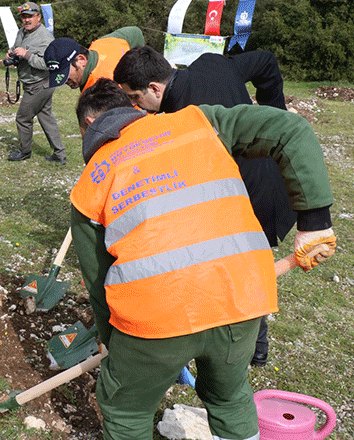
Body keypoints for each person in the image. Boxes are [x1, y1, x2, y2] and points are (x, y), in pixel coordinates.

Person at [70, 78, 335, 440]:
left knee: (126, 410)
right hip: (241, 299)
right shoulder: (197, 121)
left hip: (154, 316)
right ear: (132, 109)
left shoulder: (90, 184)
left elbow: (98, 283)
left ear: (88, 126)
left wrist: (121, 350)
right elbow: (289, 127)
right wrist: (315, 222)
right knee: (228, 397)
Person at [112, 45, 293, 366]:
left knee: (241, 269)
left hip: (247, 199)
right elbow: (265, 61)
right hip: (271, 179)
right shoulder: (212, 65)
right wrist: (274, 115)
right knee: (242, 266)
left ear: (154, 88)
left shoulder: (185, 119)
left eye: (134, 98)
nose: (134, 106)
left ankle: (255, 345)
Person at [4, 2, 64, 164]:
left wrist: (27, 55)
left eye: (30, 16)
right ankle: (59, 154)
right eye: (24, 17)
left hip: (40, 84)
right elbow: (17, 48)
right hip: (34, 83)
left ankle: (24, 152)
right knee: (46, 117)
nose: (27, 20)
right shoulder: (22, 32)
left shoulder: (45, 37)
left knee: (23, 118)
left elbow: (49, 64)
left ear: (38, 17)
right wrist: (12, 55)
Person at [43, 28, 145, 91]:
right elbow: (135, 32)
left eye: (65, 73)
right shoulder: (102, 43)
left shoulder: (99, 89)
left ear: (81, 60)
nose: (65, 81)